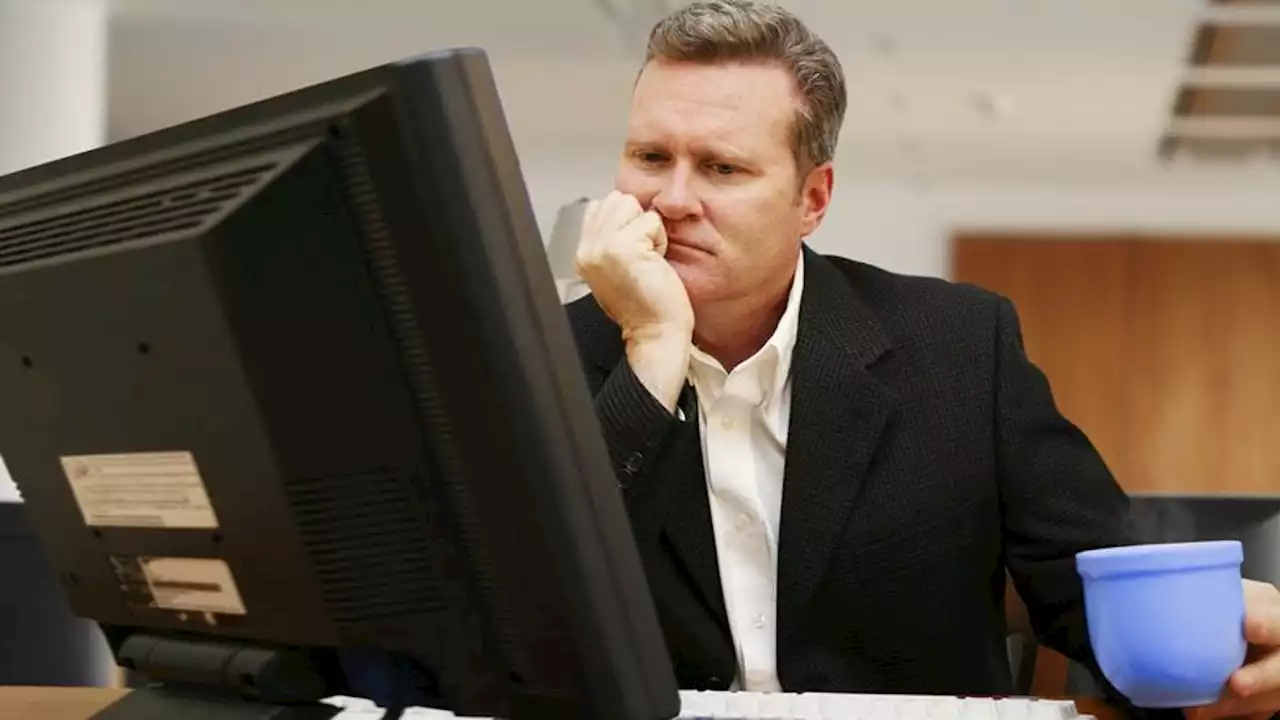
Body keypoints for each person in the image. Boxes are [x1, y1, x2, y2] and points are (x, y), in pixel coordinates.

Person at [567, 1, 1280, 718]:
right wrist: (651, 356)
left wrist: (1227, 649)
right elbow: (515, 619)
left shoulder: (961, 348)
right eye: (651, 157)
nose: (673, 199)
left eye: (722, 168)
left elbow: (1086, 595)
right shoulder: (533, 360)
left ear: (812, 198)